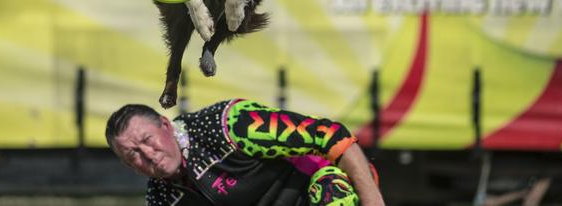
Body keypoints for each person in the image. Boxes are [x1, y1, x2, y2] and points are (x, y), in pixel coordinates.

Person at [105, 99, 385, 206]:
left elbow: (332, 137)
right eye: (134, 155)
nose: (149, 155)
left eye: (148, 140)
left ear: (165, 125)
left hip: (325, 187)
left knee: (331, 192)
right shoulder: (162, 199)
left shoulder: (228, 124)